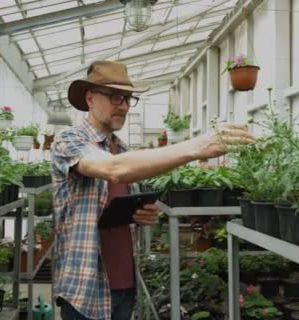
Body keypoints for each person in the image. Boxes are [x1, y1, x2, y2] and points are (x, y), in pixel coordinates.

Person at [51, 60, 254, 320]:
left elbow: (114, 202)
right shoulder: (69, 140)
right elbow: (113, 169)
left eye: (127, 99)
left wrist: (140, 216)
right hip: (85, 286)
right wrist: (197, 147)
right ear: (90, 98)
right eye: (115, 97)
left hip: (125, 282)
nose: (123, 106)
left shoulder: (121, 148)